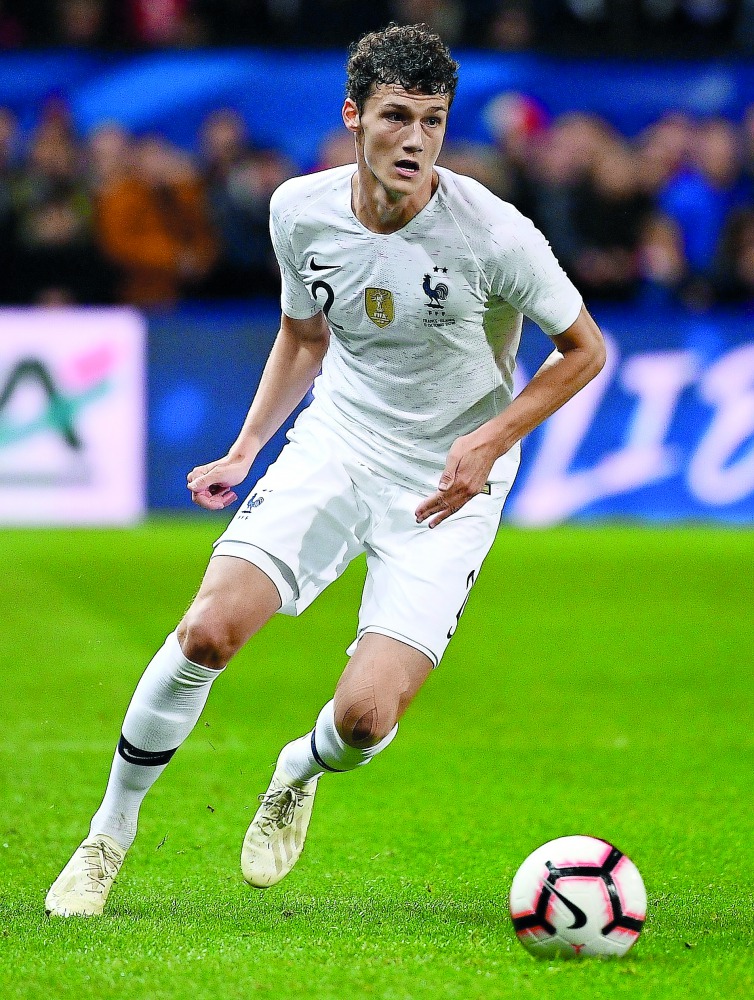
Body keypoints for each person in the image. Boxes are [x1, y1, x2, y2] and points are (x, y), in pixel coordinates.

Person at [45, 22, 606, 917]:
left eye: (432, 120)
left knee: (363, 721)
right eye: (396, 117)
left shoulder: (496, 235)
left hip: (448, 485)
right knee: (206, 632)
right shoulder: (299, 211)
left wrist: (493, 439)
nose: (416, 139)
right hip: (339, 444)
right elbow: (305, 335)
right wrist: (246, 447)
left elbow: (584, 350)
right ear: (353, 115)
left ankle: (297, 769)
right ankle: (106, 837)